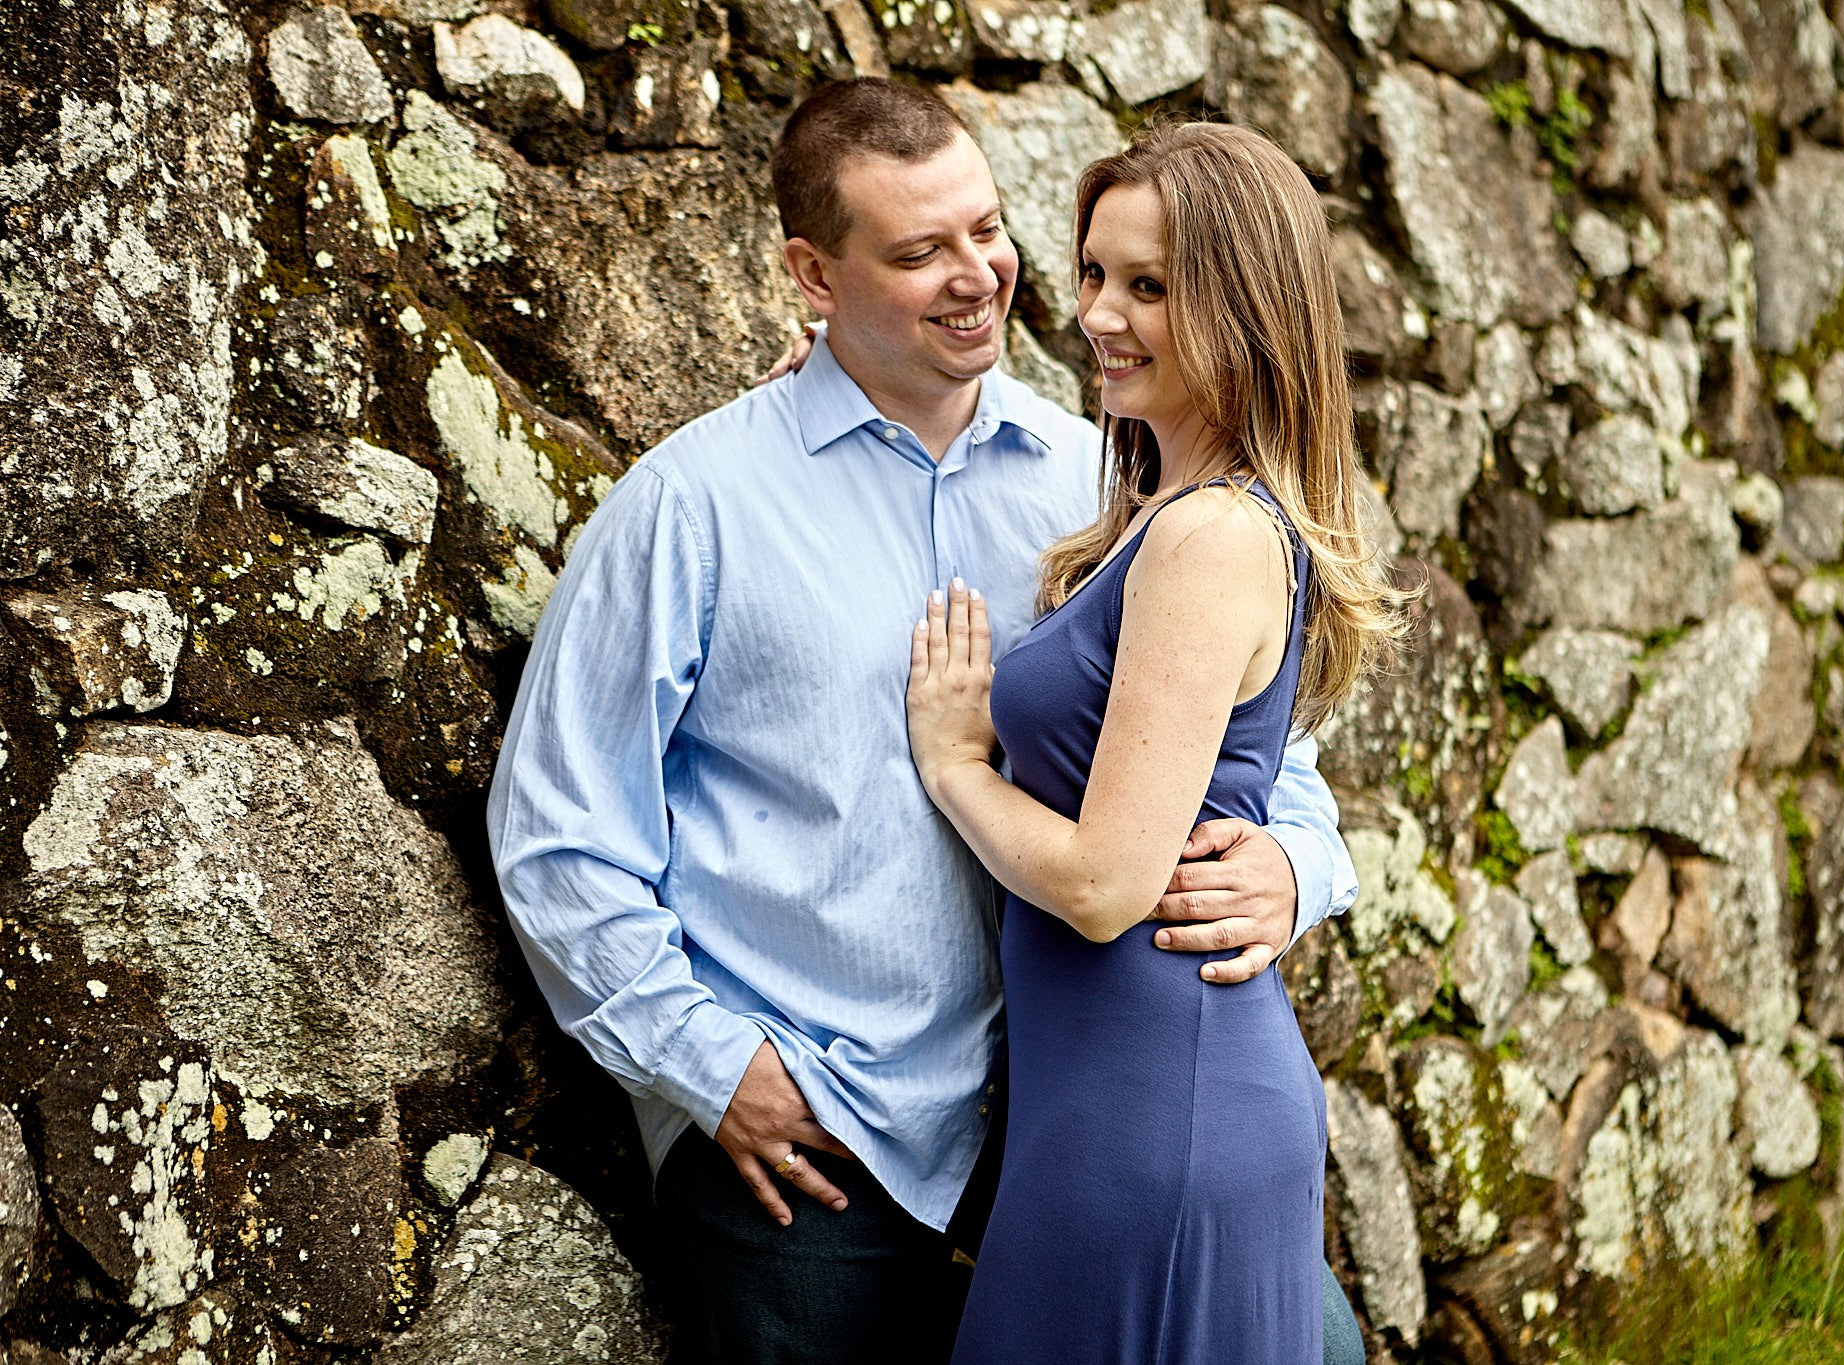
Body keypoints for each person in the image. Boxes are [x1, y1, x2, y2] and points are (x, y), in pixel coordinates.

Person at [486, 78, 1364, 1365]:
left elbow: (1265, 750)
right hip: (827, 1135)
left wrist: (1295, 868)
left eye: (988, 230)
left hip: (1079, 1107)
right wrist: (712, 1066)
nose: (977, 278)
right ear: (811, 274)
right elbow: (558, 834)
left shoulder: (1106, 473)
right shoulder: (692, 507)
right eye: (916, 253)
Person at [903, 123, 1406, 1363]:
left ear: (1241, 307)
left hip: (1160, 1118)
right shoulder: (1158, 512)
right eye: (1090, 274)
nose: (1100, 316)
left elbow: (1103, 885)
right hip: (1107, 1112)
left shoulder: (1209, 539)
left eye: (1149, 287)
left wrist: (957, 765)